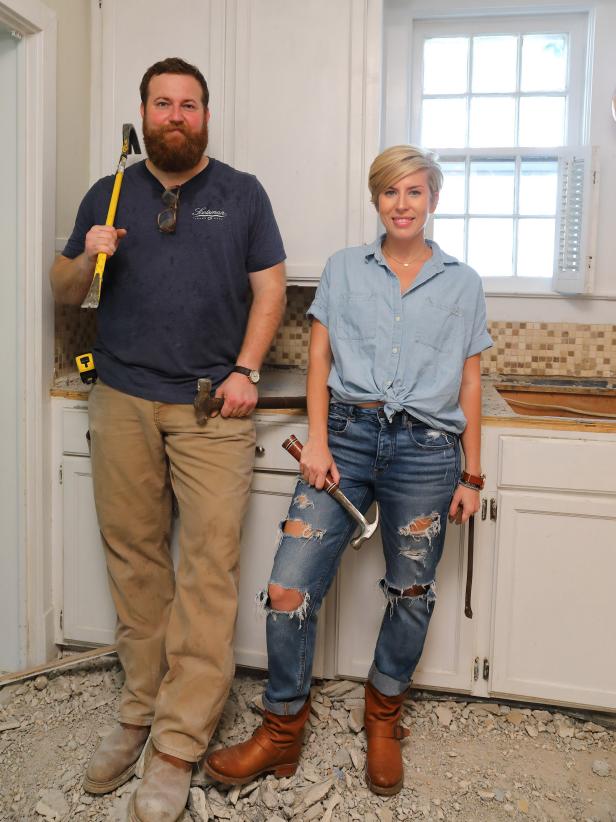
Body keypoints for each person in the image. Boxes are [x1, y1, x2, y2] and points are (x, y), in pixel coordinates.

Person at [203, 145, 492, 796]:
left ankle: (383, 712)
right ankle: (282, 729)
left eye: (414, 192)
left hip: (426, 450)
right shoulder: (342, 269)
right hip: (347, 439)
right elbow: (318, 362)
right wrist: (318, 442)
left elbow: (471, 380)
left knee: (411, 593)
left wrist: (473, 474)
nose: (402, 204)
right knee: (287, 588)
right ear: (375, 201)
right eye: (390, 192)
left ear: (434, 200)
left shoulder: (463, 283)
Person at [49, 57, 286, 822]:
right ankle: (137, 714)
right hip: (120, 400)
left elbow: (271, 289)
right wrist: (89, 250)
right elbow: (61, 288)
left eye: (189, 104)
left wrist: (248, 366)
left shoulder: (242, 194)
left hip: (211, 410)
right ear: (144, 113)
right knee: (136, 565)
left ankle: (179, 743)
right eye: (162, 104)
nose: (175, 116)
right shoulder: (110, 189)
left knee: (208, 572)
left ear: (206, 116)